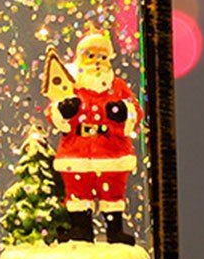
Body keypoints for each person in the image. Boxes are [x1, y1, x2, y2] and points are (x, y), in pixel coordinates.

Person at [46, 29, 140, 245]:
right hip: (77, 151)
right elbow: (53, 111)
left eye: (103, 56)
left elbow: (136, 109)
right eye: (91, 55)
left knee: (113, 193)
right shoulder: (72, 86)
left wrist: (124, 111)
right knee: (79, 193)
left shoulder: (117, 87)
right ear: (81, 57)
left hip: (112, 151)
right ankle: (81, 229)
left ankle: (115, 231)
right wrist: (64, 110)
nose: (97, 61)